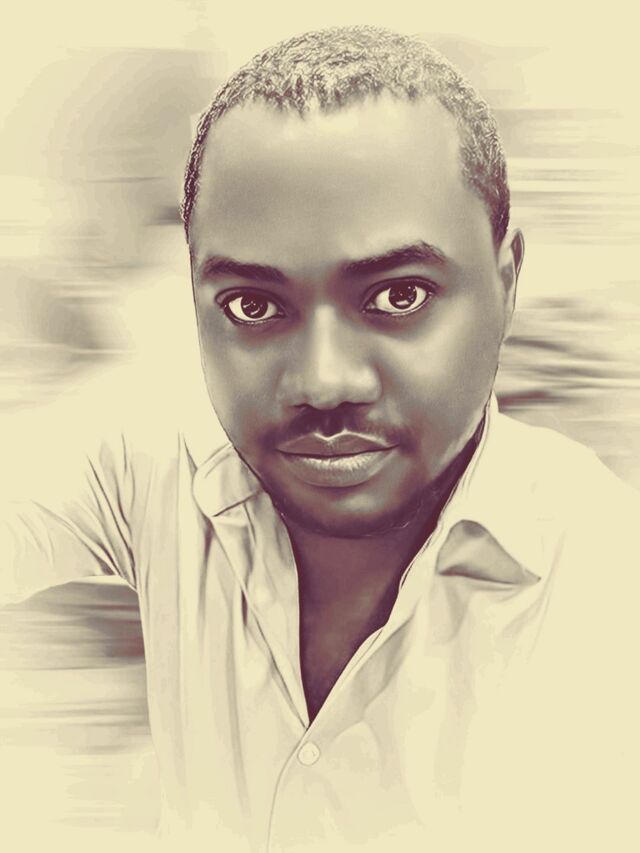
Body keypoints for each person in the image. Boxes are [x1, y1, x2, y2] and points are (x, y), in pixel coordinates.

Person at [1, 25, 638, 853]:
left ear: (507, 281)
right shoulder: (157, 464)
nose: (324, 380)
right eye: (254, 306)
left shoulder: (602, 580)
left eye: (399, 296)